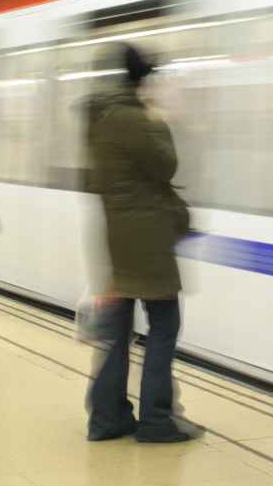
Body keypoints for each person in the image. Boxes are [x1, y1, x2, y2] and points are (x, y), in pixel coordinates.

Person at [83, 44, 197, 443]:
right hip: (147, 236)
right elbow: (167, 165)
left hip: (117, 234)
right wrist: (160, 118)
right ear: (141, 80)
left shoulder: (99, 116)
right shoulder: (137, 119)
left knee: (117, 328)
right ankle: (155, 420)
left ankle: (107, 417)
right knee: (165, 323)